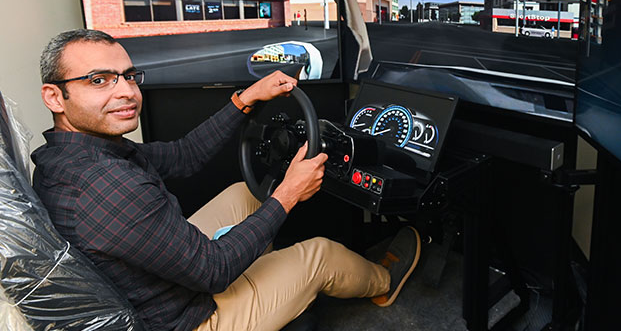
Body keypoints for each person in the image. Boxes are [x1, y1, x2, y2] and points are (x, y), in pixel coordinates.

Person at [31, 29, 421, 331]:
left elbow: (183, 155)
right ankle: (385, 281)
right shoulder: (107, 186)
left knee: (243, 194)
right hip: (188, 318)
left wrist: (245, 99)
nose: (127, 92)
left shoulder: (73, 154)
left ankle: (268, 276)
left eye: (129, 76)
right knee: (320, 254)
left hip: (154, 286)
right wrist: (286, 194)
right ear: (55, 97)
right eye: (99, 80)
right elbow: (213, 270)